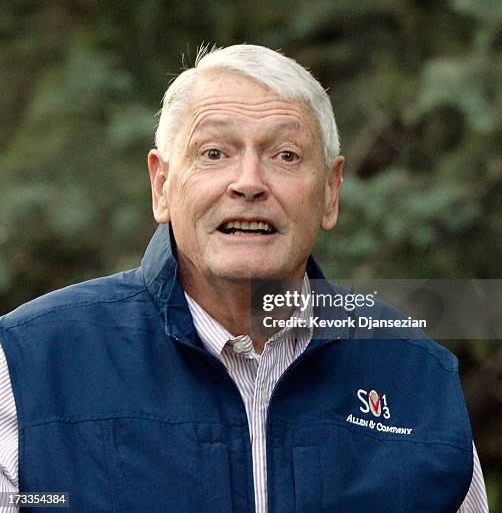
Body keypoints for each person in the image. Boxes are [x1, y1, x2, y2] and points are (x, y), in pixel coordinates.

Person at [0, 45, 488, 512]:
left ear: (331, 193)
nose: (249, 182)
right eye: (214, 153)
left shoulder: (416, 375)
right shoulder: (30, 365)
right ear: (162, 185)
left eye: (286, 156)